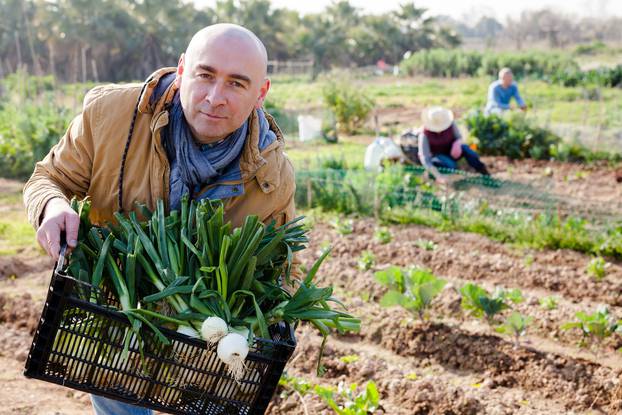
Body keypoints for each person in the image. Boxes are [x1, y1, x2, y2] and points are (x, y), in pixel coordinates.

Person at [23, 23, 296, 415]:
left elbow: (282, 264)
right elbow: (48, 178)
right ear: (182, 68)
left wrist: (279, 316)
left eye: (237, 84)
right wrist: (52, 206)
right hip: (122, 321)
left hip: (204, 343)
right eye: (205, 75)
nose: (215, 98)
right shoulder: (110, 115)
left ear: (261, 93)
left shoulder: (273, 174)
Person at [417, 107, 489, 184]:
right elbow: (425, 158)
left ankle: (484, 173)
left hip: (452, 151)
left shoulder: (450, 124)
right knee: (450, 166)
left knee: (470, 153)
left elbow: (459, 137)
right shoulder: (424, 135)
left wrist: (457, 144)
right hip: (439, 155)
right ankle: (446, 179)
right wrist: (438, 175)